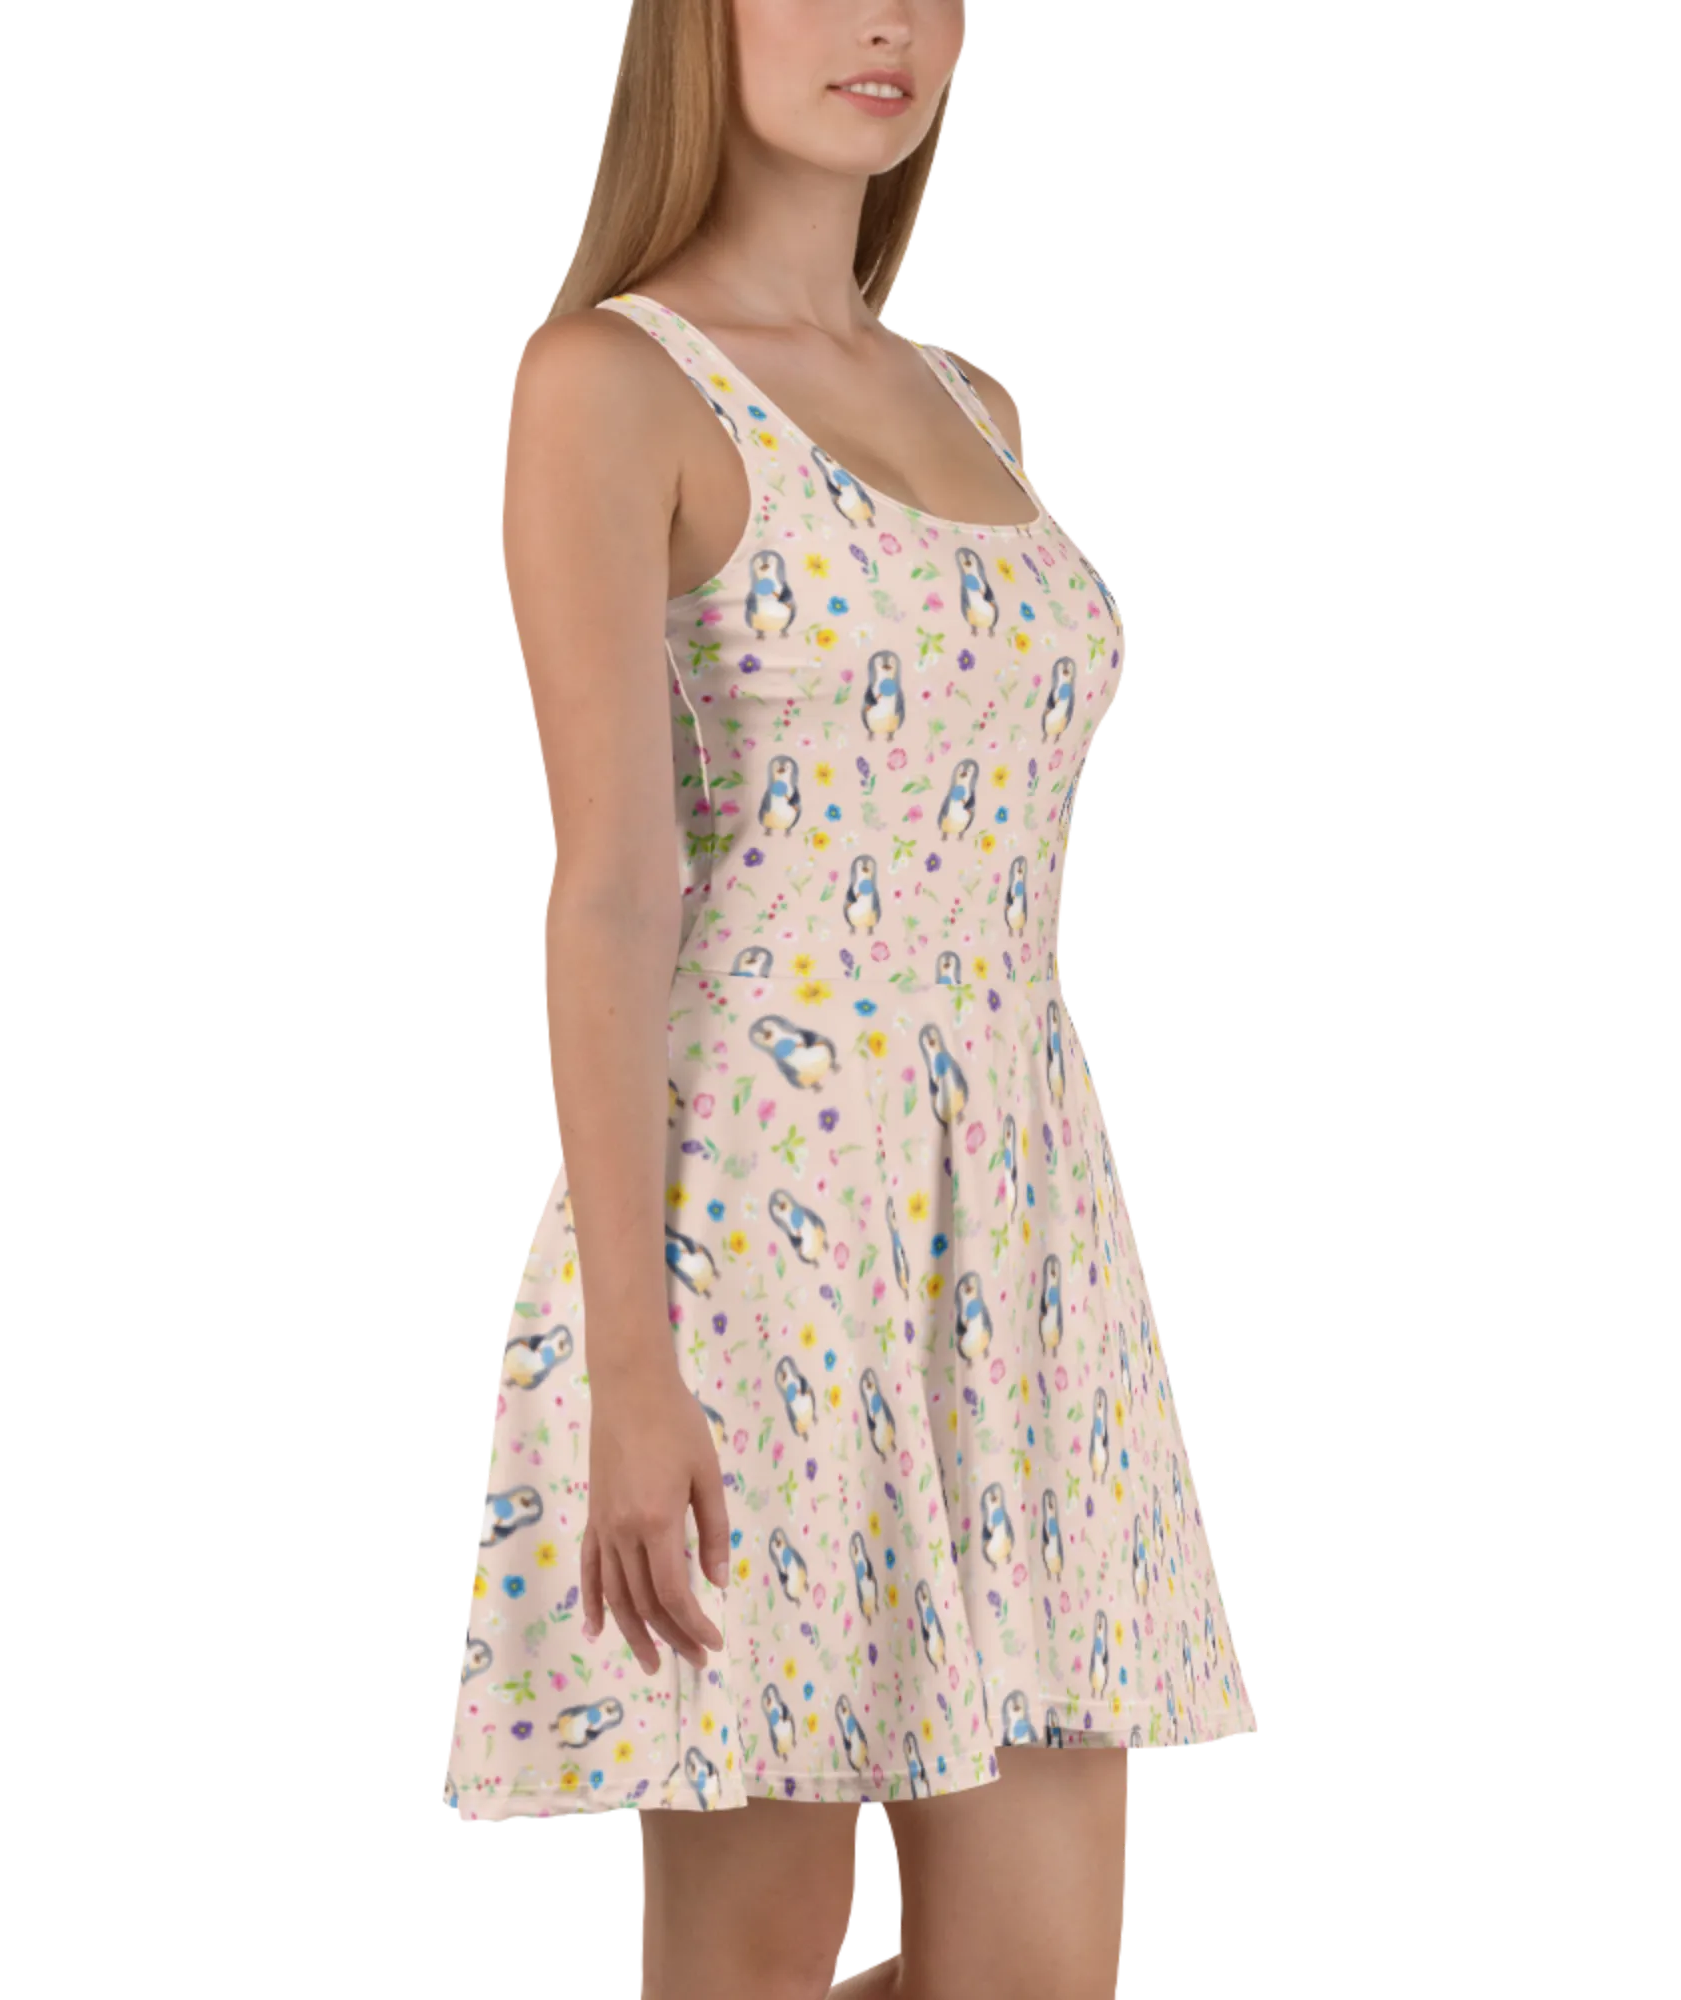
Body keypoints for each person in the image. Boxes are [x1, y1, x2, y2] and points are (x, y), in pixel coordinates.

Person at [452, 4, 1258, 1996]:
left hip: (1026, 1237)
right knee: (748, 1959)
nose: (880, 19)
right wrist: (632, 1369)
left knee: (1039, 1971)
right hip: (764, 1241)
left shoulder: (976, 403)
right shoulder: (609, 382)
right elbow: (613, 891)